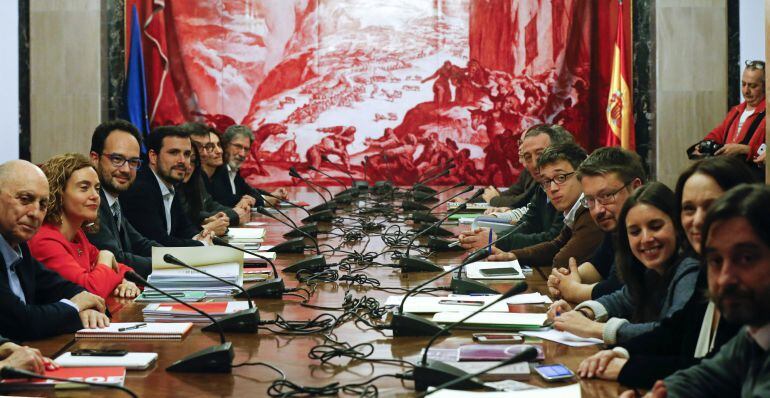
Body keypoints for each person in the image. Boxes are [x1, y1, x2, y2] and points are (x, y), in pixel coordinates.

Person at [578, 156, 756, 388]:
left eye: (712, 206)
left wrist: (627, 366)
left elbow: (723, 372)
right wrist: (621, 353)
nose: (698, 220)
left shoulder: (750, 283)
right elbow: (674, 331)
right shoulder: (708, 270)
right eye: (689, 209)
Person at [623, 184, 770, 398]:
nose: (725, 278)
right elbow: (705, 376)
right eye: (716, 260)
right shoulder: (755, 332)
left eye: (746, 258)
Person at [548, 183, 699, 345]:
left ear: (678, 225)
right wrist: (583, 314)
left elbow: (671, 333)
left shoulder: (690, 270)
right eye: (635, 232)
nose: (646, 239)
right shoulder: (651, 270)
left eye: (655, 227)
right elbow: (623, 299)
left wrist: (595, 328)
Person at [0, 160, 109, 341]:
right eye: (25, 199)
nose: (35, 213)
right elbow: (20, 322)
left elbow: (60, 287)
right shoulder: (37, 240)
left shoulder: (20, 247)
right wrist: (74, 308)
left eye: (42, 204)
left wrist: (87, 307)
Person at [29, 154, 139, 299]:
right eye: (84, 188)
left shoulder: (78, 235)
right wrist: (106, 257)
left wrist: (125, 282)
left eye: (97, 188)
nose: (95, 196)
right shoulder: (44, 240)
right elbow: (90, 291)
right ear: (58, 193)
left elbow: (123, 270)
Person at [547, 147, 646, 303]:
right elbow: (599, 265)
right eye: (590, 200)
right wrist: (566, 278)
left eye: (606, 196)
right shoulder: (616, 225)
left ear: (636, 188)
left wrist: (575, 291)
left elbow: (622, 289)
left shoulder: (646, 230)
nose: (598, 210)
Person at [485, 142, 604, 268]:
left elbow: (561, 261)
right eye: (547, 181)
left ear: (582, 175)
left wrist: (497, 241)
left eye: (561, 177)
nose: (552, 188)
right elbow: (556, 246)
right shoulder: (575, 209)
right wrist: (514, 256)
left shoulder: (591, 209)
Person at [458, 124, 573, 252]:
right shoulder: (542, 186)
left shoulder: (568, 185)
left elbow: (554, 238)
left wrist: (495, 240)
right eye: (528, 157)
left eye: (540, 154)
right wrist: (492, 238)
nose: (534, 164)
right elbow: (527, 224)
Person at [86, 120, 161, 278]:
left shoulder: (112, 199)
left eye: (133, 162)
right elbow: (116, 259)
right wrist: (167, 263)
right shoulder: (90, 202)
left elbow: (140, 244)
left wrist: (187, 258)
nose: (126, 169)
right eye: (117, 159)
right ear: (94, 158)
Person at [120, 126, 210, 247]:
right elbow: (159, 242)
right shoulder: (140, 189)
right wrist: (202, 244)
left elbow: (184, 228)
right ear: (153, 156)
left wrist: (201, 236)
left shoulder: (170, 184)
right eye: (174, 153)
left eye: (187, 154)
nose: (182, 160)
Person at [692, 61, 766, 166]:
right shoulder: (736, 111)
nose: (746, 91)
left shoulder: (767, 114)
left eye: (753, 86)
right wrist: (705, 144)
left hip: (752, 176)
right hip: (729, 171)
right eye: (743, 84)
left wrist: (746, 150)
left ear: (766, 87)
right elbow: (719, 133)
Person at [481, 124, 572, 209]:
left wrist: (494, 200)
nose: (520, 147)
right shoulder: (536, 176)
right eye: (520, 142)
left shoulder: (574, 178)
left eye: (540, 154)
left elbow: (521, 202)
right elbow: (529, 214)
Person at [181, 122, 248, 226]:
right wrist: (233, 214)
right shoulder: (178, 175)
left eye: (207, 146)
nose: (204, 153)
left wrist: (236, 212)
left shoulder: (196, 173)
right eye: (198, 146)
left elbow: (208, 203)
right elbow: (188, 215)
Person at [179, 143, 231, 237]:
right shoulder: (151, 188)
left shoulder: (194, 179)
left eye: (193, 160)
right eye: (202, 147)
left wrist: (204, 220)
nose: (204, 153)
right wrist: (206, 229)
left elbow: (194, 213)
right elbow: (165, 238)